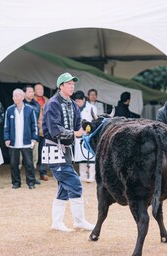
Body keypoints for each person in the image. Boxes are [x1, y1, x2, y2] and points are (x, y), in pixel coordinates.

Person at [42, 72, 95, 232]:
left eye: (73, 84)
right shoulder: (52, 104)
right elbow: (55, 129)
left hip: (66, 151)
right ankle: (79, 221)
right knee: (75, 184)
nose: (72, 86)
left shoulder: (72, 104)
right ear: (61, 86)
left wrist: (89, 127)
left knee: (64, 187)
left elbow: (79, 125)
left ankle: (57, 223)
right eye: (69, 84)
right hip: (54, 149)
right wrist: (75, 133)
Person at [4, 89, 38, 189]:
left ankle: (31, 182)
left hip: (27, 141)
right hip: (14, 141)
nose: (16, 98)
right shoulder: (9, 110)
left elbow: (34, 125)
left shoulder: (30, 109)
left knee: (29, 163)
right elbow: (6, 126)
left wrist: (34, 138)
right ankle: (16, 183)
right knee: (14, 163)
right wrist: (6, 138)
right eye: (14, 96)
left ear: (23, 97)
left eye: (18, 96)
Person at [72, 90, 97, 183]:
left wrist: (88, 130)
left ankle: (92, 175)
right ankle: (82, 175)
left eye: (79, 101)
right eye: (76, 101)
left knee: (90, 156)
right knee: (80, 155)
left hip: (89, 135)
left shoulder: (92, 108)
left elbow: (94, 122)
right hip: (78, 134)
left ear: (84, 99)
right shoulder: (74, 108)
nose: (77, 103)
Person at [21, 85, 41, 184]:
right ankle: (18, 177)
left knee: (34, 158)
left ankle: (32, 178)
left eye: (32, 91)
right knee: (20, 158)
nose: (31, 93)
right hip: (21, 136)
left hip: (33, 135)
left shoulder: (36, 104)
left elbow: (38, 120)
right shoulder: (19, 104)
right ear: (24, 93)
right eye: (29, 91)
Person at [34, 83, 50, 181]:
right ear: (34, 91)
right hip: (34, 130)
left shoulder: (48, 101)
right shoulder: (31, 101)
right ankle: (31, 172)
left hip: (44, 130)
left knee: (44, 152)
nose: (40, 91)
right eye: (38, 89)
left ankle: (43, 172)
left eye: (42, 89)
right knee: (33, 154)